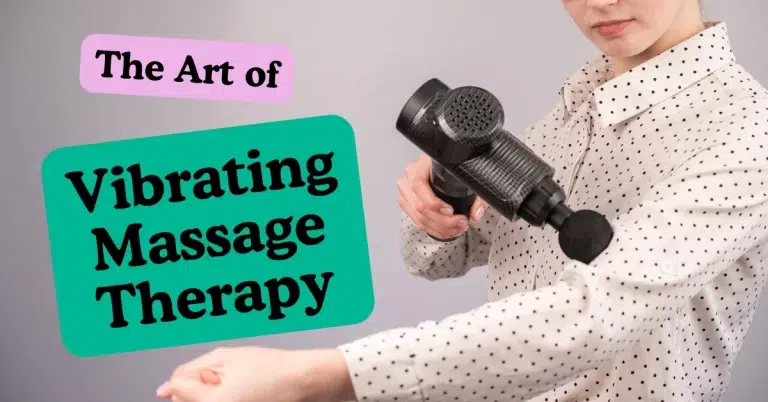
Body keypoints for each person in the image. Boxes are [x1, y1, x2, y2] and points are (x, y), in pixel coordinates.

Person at [156, 0, 768, 401]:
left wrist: (316, 376)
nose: (598, 0)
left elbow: (595, 315)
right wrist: (444, 193)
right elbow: (438, 260)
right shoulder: (576, 103)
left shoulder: (748, 131)